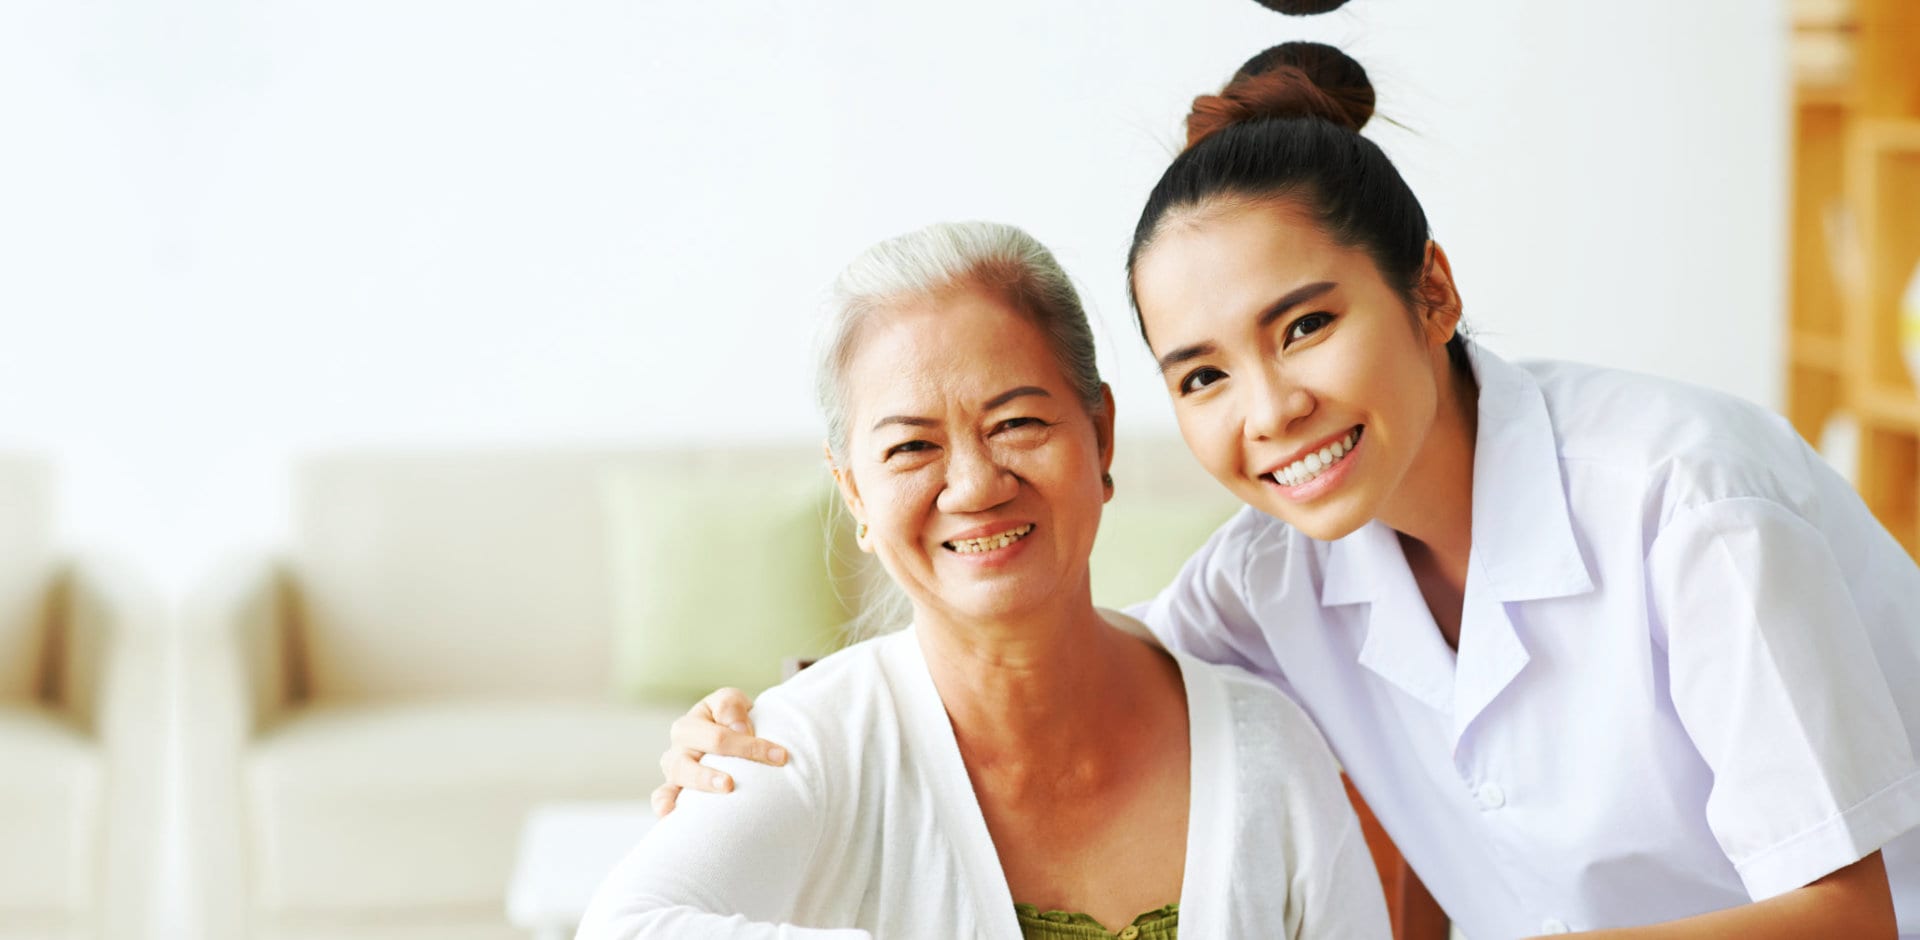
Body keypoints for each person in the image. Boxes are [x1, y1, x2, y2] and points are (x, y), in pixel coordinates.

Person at [656, 44, 1920, 939]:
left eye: (1305, 326)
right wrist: (771, 722)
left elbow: (1850, 914)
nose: (1269, 410)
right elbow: (1057, 659)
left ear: (1430, 290)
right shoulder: (1272, 579)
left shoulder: (1687, 503)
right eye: (1202, 374)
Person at [578, 221, 1392, 939]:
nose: (973, 486)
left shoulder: (1266, 745)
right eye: (910, 447)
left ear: (1101, 435)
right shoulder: (803, 745)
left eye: (1017, 424)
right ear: (854, 492)